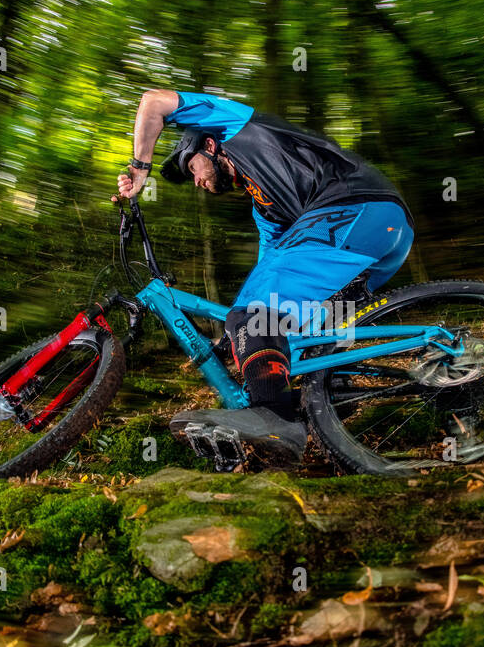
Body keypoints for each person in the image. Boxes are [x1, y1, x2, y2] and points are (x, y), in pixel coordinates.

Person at [115, 89, 413, 464]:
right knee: (304, 334)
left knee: (257, 313)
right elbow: (269, 268)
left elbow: (153, 103)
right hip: (381, 238)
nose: (196, 181)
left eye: (192, 167)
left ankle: (272, 416)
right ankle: (333, 398)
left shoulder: (239, 129)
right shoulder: (266, 208)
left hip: (355, 208)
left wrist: (139, 169)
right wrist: (235, 337)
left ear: (209, 145)